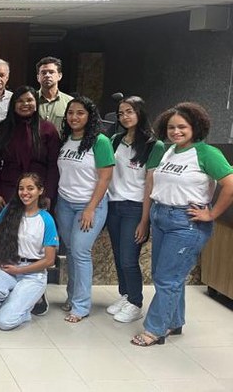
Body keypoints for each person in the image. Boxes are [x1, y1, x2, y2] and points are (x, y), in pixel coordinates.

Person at [131, 102, 233, 347]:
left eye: (182, 127)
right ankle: (174, 320)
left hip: (185, 223)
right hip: (162, 216)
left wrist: (212, 214)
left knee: (167, 278)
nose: (176, 132)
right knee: (165, 275)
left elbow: (229, 184)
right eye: (171, 127)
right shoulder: (171, 151)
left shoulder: (207, 153)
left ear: (195, 127)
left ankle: (155, 330)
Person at [106, 96, 165, 323]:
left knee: (130, 258)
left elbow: (150, 184)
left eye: (129, 111)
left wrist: (144, 220)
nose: (124, 117)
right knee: (119, 256)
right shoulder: (115, 140)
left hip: (135, 207)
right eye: (121, 113)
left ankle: (136, 303)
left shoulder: (153, 145)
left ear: (140, 113)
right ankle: (126, 294)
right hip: (114, 204)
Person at [56, 96, 114, 323]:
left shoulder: (100, 141)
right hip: (65, 203)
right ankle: (72, 296)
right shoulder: (66, 139)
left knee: (80, 252)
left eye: (80, 113)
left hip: (90, 205)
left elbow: (105, 178)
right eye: (71, 113)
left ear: (90, 116)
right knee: (70, 251)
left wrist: (90, 208)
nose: (74, 117)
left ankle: (81, 305)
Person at [0, 173, 59, 330]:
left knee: (3, 322)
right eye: (21, 188)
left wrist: (20, 270)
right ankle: (20, 303)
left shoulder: (46, 219)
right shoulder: (10, 210)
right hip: (11, 266)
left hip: (33, 274)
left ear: (40, 191)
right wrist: (1, 257)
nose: (25, 193)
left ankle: (24, 306)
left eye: (30, 188)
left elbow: (49, 260)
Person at [0, 86, 61, 217]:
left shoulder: (48, 129)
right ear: (13, 104)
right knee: (5, 233)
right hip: (8, 190)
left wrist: (49, 194)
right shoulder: (2, 129)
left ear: (36, 103)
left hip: (39, 191)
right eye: (20, 101)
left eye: (29, 100)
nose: (25, 104)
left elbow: (53, 165)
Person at [35, 56, 73, 135]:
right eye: (43, 72)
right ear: (38, 77)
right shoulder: (30, 100)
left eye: (51, 72)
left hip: (60, 145)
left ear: (59, 76)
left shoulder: (70, 102)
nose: (47, 75)